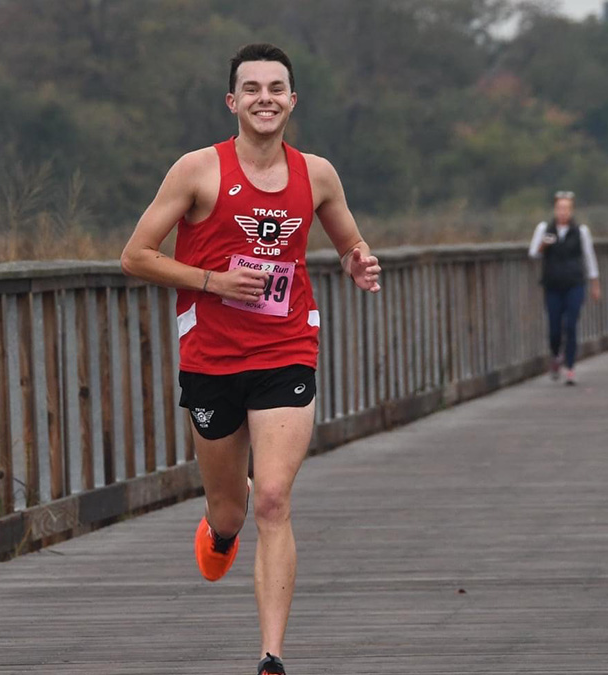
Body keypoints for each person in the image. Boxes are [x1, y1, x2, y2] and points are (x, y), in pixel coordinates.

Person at [119, 43, 381, 675]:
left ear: (292, 100)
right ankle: (221, 530)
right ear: (233, 102)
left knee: (271, 498)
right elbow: (135, 255)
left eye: (277, 87)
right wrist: (212, 282)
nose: (265, 97)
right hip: (210, 355)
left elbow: (349, 239)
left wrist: (358, 262)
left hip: (286, 347)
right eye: (252, 88)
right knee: (230, 508)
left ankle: (270, 655)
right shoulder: (198, 171)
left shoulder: (316, 174)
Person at [528, 191, 601, 386]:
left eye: (566, 208)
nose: (563, 212)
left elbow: (589, 256)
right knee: (554, 327)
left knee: (570, 325)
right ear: (555, 209)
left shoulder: (581, 231)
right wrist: (544, 244)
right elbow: (533, 254)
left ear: (572, 210)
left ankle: (570, 367)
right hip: (552, 285)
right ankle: (555, 354)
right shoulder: (545, 228)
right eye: (560, 208)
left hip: (574, 283)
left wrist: (595, 283)